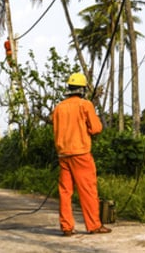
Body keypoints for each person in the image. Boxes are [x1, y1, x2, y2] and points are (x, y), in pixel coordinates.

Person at [51, 72, 110, 236]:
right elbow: (97, 128)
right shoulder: (85, 105)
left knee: (65, 192)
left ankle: (67, 227)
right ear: (82, 89)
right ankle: (94, 226)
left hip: (63, 155)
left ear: (69, 88)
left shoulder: (58, 108)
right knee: (88, 190)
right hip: (81, 154)